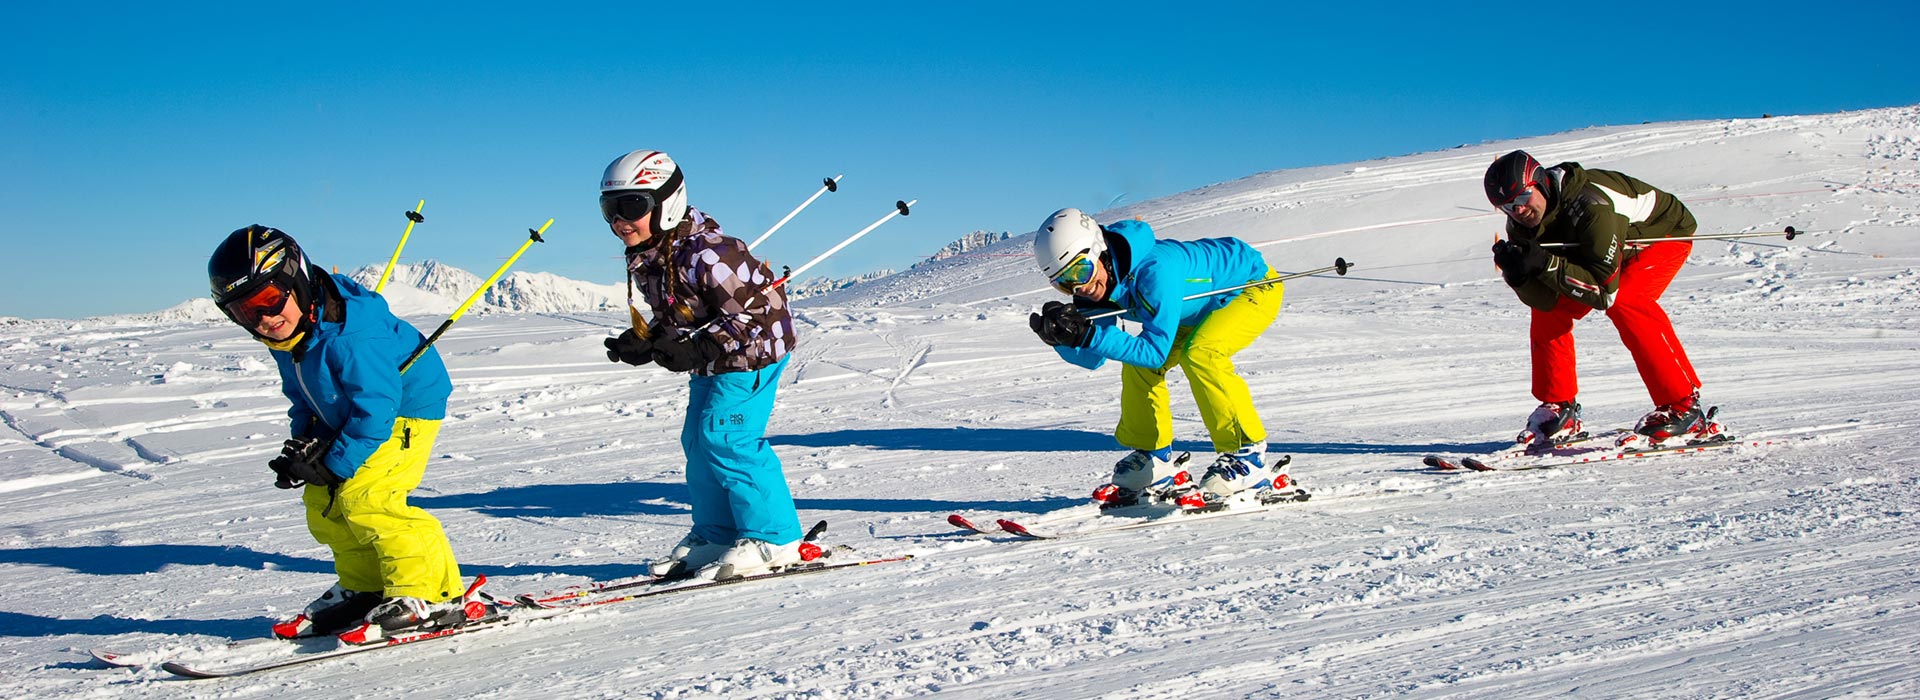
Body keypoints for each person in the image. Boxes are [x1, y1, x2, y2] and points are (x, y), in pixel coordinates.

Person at [207, 225, 466, 644]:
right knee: (322, 501)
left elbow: (376, 410)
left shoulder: (352, 336)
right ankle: (367, 588)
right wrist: (304, 448)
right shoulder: (293, 333)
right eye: (244, 311)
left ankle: (431, 594)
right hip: (354, 413)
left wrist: (336, 461)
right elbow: (303, 397)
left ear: (295, 279)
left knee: (367, 498)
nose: (264, 319)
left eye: (268, 300)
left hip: (403, 411)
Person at [597, 149, 811, 581]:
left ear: (667, 202)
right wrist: (646, 341)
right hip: (715, 357)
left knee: (728, 437)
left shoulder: (711, 254)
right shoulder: (653, 252)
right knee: (697, 440)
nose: (620, 220)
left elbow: (754, 316)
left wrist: (697, 349)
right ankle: (717, 534)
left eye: (632, 206)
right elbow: (680, 310)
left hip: (752, 354)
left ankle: (776, 537)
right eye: (610, 208)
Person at [1027, 207, 1292, 506]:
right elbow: (1094, 358)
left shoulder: (1156, 271)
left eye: (1080, 272)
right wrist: (1062, 339)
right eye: (1063, 283)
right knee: (1136, 363)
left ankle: (1249, 454)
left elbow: (1154, 353)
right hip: (1192, 311)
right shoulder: (1093, 288)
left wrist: (1088, 335)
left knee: (1202, 354)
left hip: (1248, 286)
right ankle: (1155, 458)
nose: (1080, 287)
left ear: (1099, 252)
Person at [1483, 149, 1722, 448]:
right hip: (1600, 253)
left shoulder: (1592, 204)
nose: (1517, 211)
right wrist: (1519, 277)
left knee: (1627, 301)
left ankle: (1684, 407)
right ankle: (1559, 408)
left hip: (1659, 238)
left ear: (1540, 183)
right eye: (1506, 206)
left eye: (1522, 199)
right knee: (1547, 313)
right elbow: (1545, 301)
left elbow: (1604, 293)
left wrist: (1547, 264)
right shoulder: (1522, 224)